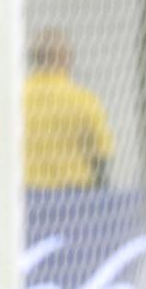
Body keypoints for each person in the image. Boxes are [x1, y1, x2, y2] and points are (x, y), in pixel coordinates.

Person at [24, 28, 113, 189]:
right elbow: (101, 154)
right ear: (65, 57)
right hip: (74, 195)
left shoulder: (17, 100)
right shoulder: (85, 100)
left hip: (26, 195)